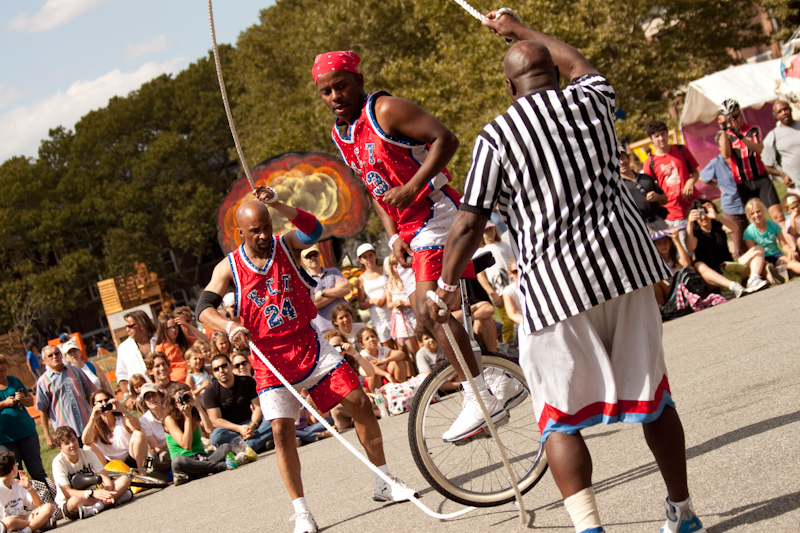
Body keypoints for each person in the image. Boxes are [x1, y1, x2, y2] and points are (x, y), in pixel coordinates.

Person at [428, 11, 705, 532]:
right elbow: (576, 58)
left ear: (508, 85)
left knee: (558, 417)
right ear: (554, 73)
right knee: (653, 397)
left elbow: (470, 222)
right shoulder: (593, 100)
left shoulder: (497, 137)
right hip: (626, 269)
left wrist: (444, 284)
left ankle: (589, 527)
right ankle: (682, 512)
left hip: (555, 287)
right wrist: (516, 26)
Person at [314, 50, 499, 442]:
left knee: (426, 307)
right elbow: (375, 187)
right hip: (411, 226)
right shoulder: (341, 133)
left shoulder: (384, 110)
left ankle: (481, 397)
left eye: (341, 86)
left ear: (358, 80)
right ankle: (492, 380)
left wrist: (413, 186)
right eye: (326, 91)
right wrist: (394, 233)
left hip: (437, 209)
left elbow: (446, 140)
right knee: (430, 312)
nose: (334, 96)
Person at [197, 195, 410, 533]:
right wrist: (230, 325)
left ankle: (383, 481)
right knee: (281, 433)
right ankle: (302, 512)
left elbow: (314, 229)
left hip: (308, 343)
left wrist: (279, 204)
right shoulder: (229, 267)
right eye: (255, 231)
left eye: (267, 227)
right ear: (241, 233)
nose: (264, 235)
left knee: (360, 403)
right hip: (270, 359)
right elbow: (203, 308)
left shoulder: (285, 244)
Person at [718, 98, 786, 228]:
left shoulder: (752, 130)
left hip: (761, 179)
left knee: (778, 215)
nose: (734, 121)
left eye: (736, 116)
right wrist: (724, 130)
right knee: (757, 222)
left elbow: (760, 150)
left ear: (740, 112)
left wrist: (740, 136)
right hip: (743, 184)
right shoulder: (725, 136)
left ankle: (790, 246)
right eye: (729, 119)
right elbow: (726, 155)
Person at [684, 200, 768, 296]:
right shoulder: (694, 232)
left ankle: (753, 280)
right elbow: (690, 247)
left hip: (730, 268)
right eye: (699, 214)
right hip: (714, 277)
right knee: (698, 265)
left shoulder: (718, 225)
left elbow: (735, 228)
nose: (703, 217)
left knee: (758, 249)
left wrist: (717, 217)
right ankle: (732, 286)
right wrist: (689, 223)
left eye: (705, 212)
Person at [51, 426, 132, 520]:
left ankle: (98, 507)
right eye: (67, 443)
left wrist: (107, 491)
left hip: (94, 497)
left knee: (125, 479)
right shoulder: (58, 463)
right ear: (60, 448)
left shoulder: (88, 454)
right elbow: (68, 493)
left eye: (73, 440)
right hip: (77, 499)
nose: (72, 445)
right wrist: (91, 493)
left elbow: (105, 478)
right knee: (74, 502)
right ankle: (113, 501)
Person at [643, 120, 700, 251]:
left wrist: (691, 181)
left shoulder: (681, 150)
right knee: (686, 253)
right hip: (672, 215)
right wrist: (655, 196)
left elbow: (695, 173)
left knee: (704, 247)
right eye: (656, 136)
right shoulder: (650, 162)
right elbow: (650, 189)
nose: (661, 138)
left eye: (663, 134)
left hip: (693, 206)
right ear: (651, 139)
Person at [162, 382, 232, 485]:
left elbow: (209, 429)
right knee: (177, 461)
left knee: (226, 447)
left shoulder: (193, 412)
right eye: (180, 400)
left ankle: (201, 471)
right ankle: (221, 466)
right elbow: (186, 445)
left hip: (201, 459)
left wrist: (197, 405)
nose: (184, 402)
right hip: (186, 462)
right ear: (174, 403)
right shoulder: (169, 419)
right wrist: (187, 418)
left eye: (185, 397)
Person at [205, 354, 274, 454]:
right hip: (231, 430)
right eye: (216, 369)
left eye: (224, 366)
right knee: (216, 436)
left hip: (252, 424)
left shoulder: (247, 381)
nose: (221, 370)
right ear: (213, 373)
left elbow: (258, 407)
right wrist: (239, 429)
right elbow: (215, 420)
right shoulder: (210, 391)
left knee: (272, 419)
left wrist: (253, 425)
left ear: (231, 366)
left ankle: (245, 447)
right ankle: (257, 444)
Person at [35, 345, 96, 450]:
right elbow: (43, 411)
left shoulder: (76, 371)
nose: (54, 357)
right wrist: (47, 436)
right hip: (66, 435)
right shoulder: (43, 381)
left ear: (61, 355)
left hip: (87, 426)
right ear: (44, 361)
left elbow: (90, 394)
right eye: (50, 355)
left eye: (57, 353)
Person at [699, 131, 749, 257]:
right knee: (739, 243)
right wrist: (717, 185)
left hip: (747, 203)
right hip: (731, 206)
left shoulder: (739, 158)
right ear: (719, 146)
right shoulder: (716, 163)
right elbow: (702, 177)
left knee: (752, 238)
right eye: (724, 144)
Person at [0, 355, 47, 484]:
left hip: (27, 432)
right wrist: (4, 404)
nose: (3, 373)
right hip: (5, 440)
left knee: (37, 471)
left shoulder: (14, 381)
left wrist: (22, 399)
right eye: (0, 371)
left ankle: (50, 498)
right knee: (14, 476)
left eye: (4, 370)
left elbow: (30, 401)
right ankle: (24, 504)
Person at [81, 390, 147, 469]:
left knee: (139, 433)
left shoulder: (122, 419)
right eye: (100, 402)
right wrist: (92, 418)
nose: (104, 404)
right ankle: (104, 479)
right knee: (87, 447)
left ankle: (142, 474)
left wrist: (123, 410)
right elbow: (85, 441)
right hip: (109, 465)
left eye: (106, 400)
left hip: (130, 459)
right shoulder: (95, 426)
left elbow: (137, 427)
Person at [743, 198, 800, 281]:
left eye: (758, 211)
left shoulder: (773, 225)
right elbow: (753, 252)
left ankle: (781, 272)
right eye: (752, 213)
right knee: (766, 267)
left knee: (790, 262)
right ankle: (773, 278)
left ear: (763, 211)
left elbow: (784, 244)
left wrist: (789, 251)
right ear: (749, 216)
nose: (756, 215)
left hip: (776, 255)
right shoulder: (749, 232)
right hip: (761, 258)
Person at [300, 244, 351, 335]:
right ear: (303, 260)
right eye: (308, 256)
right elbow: (312, 305)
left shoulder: (334, 271)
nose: (312, 258)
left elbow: (347, 289)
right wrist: (337, 291)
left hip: (344, 324)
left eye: (315, 254)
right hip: (323, 328)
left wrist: (322, 293)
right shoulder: (303, 281)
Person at [0, 451, 54, 533]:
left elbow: (37, 504)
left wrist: (29, 488)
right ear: (13, 468)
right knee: (9, 522)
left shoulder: (17, 484)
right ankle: (38, 524)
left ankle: (26, 530)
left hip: (23, 518)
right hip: (8, 523)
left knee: (48, 507)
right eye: (16, 464)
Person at [619, 149, 668, 232]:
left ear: (629, 159)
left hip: (659, 222)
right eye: (617, 159)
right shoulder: (618, 186)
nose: (621, 162)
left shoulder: (646, 178)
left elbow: (665, 199)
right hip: (639, 228)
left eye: (623, 158)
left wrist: (657, 197)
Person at [354, 243, 393, 348]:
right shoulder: (361, 280)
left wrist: (386, 295)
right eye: (364, 257)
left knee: (403, 350)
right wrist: (372, 301)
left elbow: (395, 286)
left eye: (370, 255)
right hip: (378, 319)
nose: (368, 259)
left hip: (394, 314)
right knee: (388, 352)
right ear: (361, 260)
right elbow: (361, 305)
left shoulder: (386, 271)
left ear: (375, 255)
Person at [116, 310, 156, 404]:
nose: (127, 329)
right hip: (141, 399)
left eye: (130, 326)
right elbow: (122, 376)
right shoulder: (123, 348)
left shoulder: (159, 340)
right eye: (126, 326)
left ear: (142, 324)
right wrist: (127, 397)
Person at [384, 254, 418, 357]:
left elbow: (417, 301)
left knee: (422, 344)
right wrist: (395, 304)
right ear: (391, 268)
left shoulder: (412, 280)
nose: (398, 268)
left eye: (400, 265)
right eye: (395, 266)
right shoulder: (390, 284)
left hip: (414, 315)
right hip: (402, 320)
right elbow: (389, 304)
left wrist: (405, 303)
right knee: (413, 349)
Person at [761, 100, 799, 187]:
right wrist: (783, 175)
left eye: (785, 109)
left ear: (790, 109)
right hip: (796, 187)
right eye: (779, 112)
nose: (784, 113)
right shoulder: (772, 137)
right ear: (776, 116)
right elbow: (766, 166)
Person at [136, 383, 171, 479]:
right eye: (148, 397)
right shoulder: (144, 420)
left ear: (159, 395)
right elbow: (157, 448)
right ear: (145, 402)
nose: (151, 399)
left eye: (153, 395)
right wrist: (175, 440)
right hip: (164, 451)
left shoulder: (170, 409)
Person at [155, 315, 189, 383]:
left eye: (175, 327)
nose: (174, 330)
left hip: (191, 379)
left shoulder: (184, 341)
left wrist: (186, 324)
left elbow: (204, 339)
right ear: (163, 330)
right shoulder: (160, 348)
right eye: (170, 328)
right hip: (175, 382)